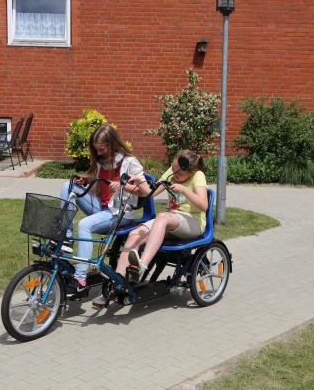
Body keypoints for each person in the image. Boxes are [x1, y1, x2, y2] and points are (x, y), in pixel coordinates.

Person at [91, 150, 208, 309]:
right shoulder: (172, 171)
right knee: (134, 234)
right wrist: (139, 181)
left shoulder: (198, 175)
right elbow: (149, 194)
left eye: (178, 172)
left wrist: (185, 190)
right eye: (172, 169)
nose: (174, 173)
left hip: (192, 221)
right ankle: (117, 283)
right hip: (170, 219)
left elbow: (204, 205)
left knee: (162, 217)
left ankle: (142, 266)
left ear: (191, 171)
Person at [59, 125, 147, 296]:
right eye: (96, 149)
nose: (98, 153)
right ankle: (66, 238)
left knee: (84, 225)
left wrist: (124, 187)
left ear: (112, 144)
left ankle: (80, 279)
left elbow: (145, 190)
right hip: (102, 208)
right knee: (67, 186)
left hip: (120, 214)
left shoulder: (129, 162)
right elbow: (98, 181)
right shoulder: (101, 162)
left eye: (102, 149)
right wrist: (85, 180)